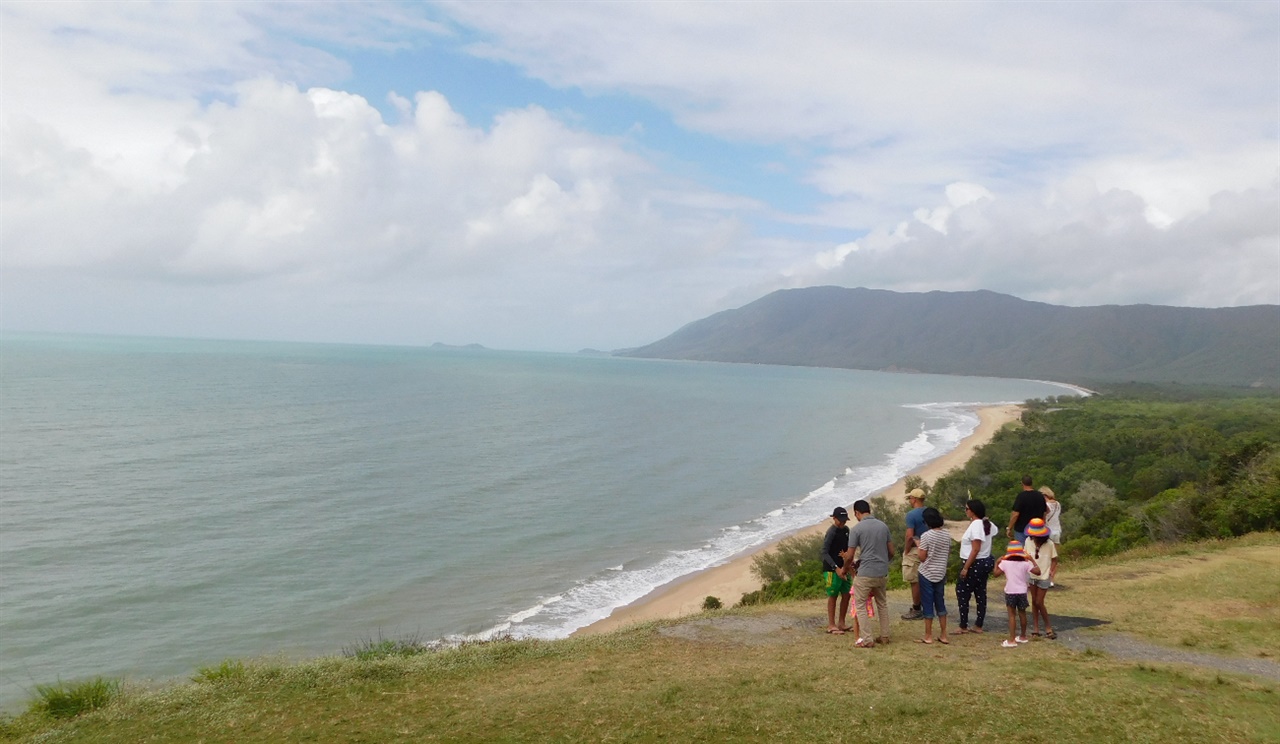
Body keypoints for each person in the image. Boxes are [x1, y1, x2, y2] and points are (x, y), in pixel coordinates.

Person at [847, 499, 895, 648]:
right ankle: (885, 636)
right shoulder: (883, 526)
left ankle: (867, 639)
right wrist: (883, 562)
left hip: (865, 573)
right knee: (882, 604)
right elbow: (891, 551)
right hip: (881, 572)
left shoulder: (856, 529)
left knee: (860, 604)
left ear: (857, 513)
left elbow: (849, 555)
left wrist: (845, 568)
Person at [955, 499, 998, 635]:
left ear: (972, 511)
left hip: (975, 563)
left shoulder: (976, 525)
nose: (965, 511)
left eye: (967, 509)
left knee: (963, 592)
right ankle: (978, 624)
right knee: (980, 593)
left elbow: (975, 549)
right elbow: (994, 531)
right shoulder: (987, 524)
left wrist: (966, 567)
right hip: (984, 562)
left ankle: (963, 625)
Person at [993, 540, 1041, 648]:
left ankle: (1012, 640)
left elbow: (995, 574)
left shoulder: (1005, 563)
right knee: (1022, 613)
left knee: (1011, 616)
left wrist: (996, 563)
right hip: (1022, 591)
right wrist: (1032, 560)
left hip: (1010, 591)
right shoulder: (1025, 563)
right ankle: (1023, 636)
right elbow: (1038, 572)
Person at [914, 507, 951, 645]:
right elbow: (947, 553)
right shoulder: (946, 534)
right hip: (940, 572)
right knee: (940, 603)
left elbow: (922, 557)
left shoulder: (926, 536)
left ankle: (928, 635)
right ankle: (943, 634)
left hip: (927, 572)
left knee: (928, 603)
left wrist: (918, 545)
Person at [821, 506, 856, 635]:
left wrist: (848, 565)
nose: (842, 523)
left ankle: (841, 622)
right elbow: (824, 552)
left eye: (844, 520)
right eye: (840, 520)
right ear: (834, 518)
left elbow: (848, 549)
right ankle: (831, 624)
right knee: (833, 595)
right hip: (831, 569)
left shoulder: (846, 530)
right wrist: (836, 568)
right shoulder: (831, 532)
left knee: (846, 594)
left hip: (844, 567)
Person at [1025, 518, 1058, 639]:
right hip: (1032, 575)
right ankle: (1036, 628)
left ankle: (1048, 627)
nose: (1034, 537)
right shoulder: (1028, 541)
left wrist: (1052, 571)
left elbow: (1054, 559)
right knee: (1034, 601)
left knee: (1039, 602)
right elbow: (1025, 557)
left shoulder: (1049, 544)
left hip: (1044, 576)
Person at [900, 487, 928, 620]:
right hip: (929, 548)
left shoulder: (912, 515)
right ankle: (927, 605)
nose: (910, 501)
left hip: (916, 548)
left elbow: (909, 535)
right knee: (927, 578)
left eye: (910, 498)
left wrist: (906, 550)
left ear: (915, 499)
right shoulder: (929, 512)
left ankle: (917, 608)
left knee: (914, 579)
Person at [1007, 475, 1047, 544]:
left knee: (1022, 552)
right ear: (1031, 483)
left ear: (1022, 484)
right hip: (1036, 529)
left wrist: (1009, 528)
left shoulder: (1021, 496)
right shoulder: (1040, 496)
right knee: (1035, 550)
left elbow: (1015, 514)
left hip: (1022, 529)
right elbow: (1044, 513)